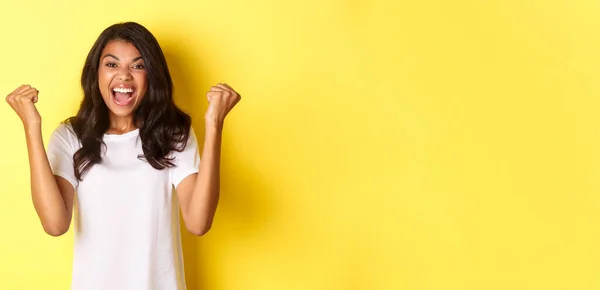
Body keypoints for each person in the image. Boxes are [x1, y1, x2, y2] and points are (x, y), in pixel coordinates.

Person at [5, 22, 241, 290]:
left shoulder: (172, 135)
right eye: (112, 64)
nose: (124, 76)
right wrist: (31, 127)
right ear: (96, 73)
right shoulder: (71, 138)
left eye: (138, 66)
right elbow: (55, 224)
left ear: (151, 76)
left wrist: (214, 124)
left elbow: (199, 222)